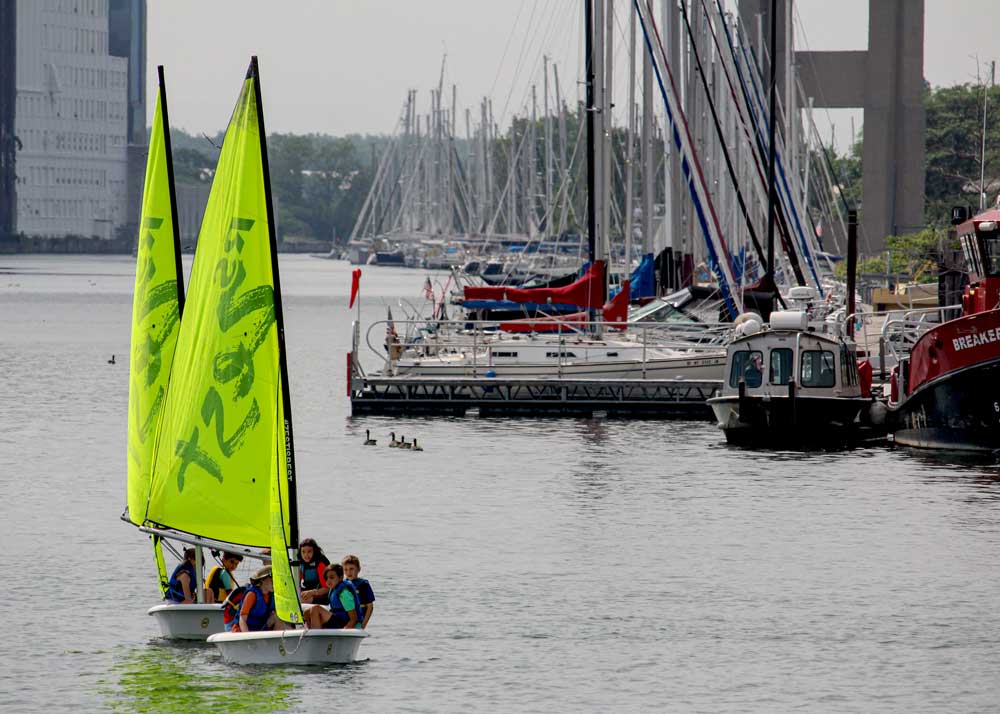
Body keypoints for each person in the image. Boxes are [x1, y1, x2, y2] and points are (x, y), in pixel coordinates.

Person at [305, 563, 364, 630]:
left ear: (340, 577)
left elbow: (354, 618)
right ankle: (312, 631)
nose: (328, 581)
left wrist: (345, 630)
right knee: (306, 612)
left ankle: (316, 636)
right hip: (337, 619)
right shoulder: (333, 589)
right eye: (326, 578)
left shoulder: (344, 593)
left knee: (316, 609)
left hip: (344, 622)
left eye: (331, 577)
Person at [235, 565, 278, 632]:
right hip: (243, 630)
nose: (275, 583)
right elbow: (242, 619)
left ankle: (279, 642)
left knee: (277, 618)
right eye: (272, 580)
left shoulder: (272, 595)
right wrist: (247, 636)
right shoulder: (252, 594)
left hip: (259, 629)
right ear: (262, 580)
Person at [342, 555, 375, 628]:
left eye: (351, 569)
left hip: (359, 619)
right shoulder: (342, 585)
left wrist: (364, 624)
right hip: (345, 618)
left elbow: (370, 606)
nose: (349, 572)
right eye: (346, 570)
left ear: (358, 569)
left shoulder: (363, 584)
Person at [298, 538, 331, 604]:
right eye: (303, 552)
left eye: (309, 551)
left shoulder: (320, 564)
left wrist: (312, 592)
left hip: (323, 595)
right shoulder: (300, 563)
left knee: (300, 600)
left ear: (314, 551)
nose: (306, 555)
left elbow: (327, 589)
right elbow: (297, 582)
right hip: (309, 591)